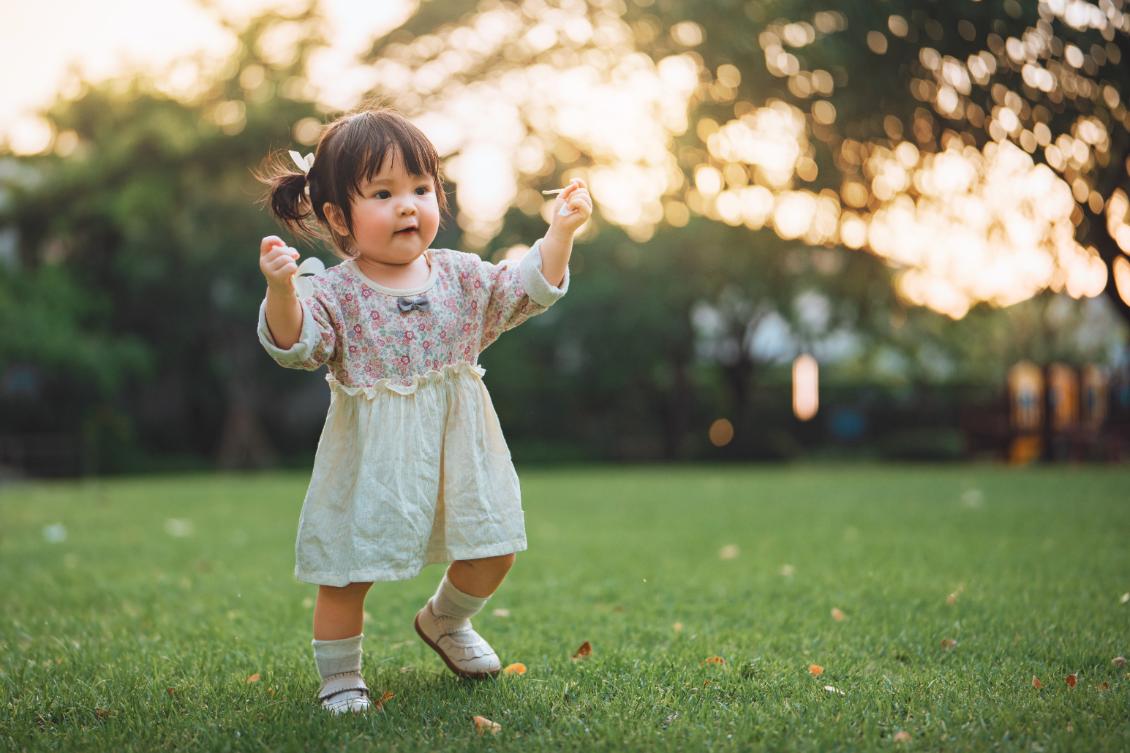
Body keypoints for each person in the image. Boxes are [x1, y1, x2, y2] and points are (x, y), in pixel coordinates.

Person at [254, 105, 592, 714]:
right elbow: (298, 346)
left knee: (493, 545)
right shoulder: (334, 290)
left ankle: (445, 620)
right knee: (348, 569)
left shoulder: (462, 276)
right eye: (382, 193)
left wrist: (559, 234)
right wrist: (283, 293)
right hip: (372, 457)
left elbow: (526, 288)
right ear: (339, 217)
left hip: (457, 446)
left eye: (419, 187)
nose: (408, 204)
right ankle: (340, 676)